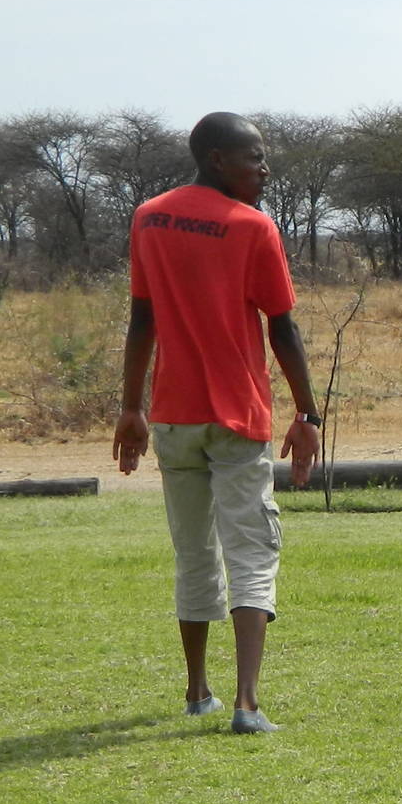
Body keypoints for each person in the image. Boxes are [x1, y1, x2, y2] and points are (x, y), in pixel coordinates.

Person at [113, 112, 321, 734]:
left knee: (193, 553)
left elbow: (141, 319)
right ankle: (247, 703)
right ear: (214, 158)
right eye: (251, 156)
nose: (263, 168)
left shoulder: (149, 217)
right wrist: (308, 413)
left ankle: (196, 690)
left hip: (173, 417)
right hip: (238, 417)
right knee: (251, 550)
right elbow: (281, 327)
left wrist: (131, 408)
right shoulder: (253, 227)